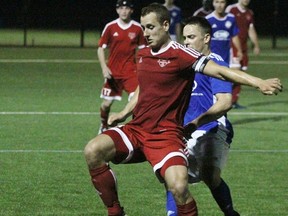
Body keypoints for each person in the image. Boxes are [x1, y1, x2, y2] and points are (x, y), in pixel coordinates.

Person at [84, 3, 282, 216]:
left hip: (166, 136)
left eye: (151, 27)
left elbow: (222, 72)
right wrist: (124, 112)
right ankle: (115, 212)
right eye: (143, 28)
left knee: (179, 187)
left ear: (166, 25)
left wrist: (258, 82)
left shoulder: (182, 55)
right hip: (137, 129)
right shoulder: (142, 54)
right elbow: (144, 86)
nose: (146, 33)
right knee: (93, 150)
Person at [165, 16, 239, 216]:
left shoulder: (215, 63)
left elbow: (225, 102)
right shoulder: (184, 64)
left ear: (206, 38)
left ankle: (231, 213)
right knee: (174, 173)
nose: (186, 42)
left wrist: (197, 122)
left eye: (190, 37)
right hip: (186, 130)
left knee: (208, 177)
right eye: (184, 37)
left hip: (212, 128)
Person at [97, 0, 146, 134]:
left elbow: (143, 50)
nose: (124, 11)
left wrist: (142, 69)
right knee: (106, 104)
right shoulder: (110, 27)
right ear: (117, 10)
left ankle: (136, 129)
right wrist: (104, 68)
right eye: (121, 8)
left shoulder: (137, 28)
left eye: (127, 8)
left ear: (131, 10)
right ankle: (103, 125)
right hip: (113, 73)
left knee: (136, 102)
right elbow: (101, 48)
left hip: (131, 72)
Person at [226, 0, 261, 109]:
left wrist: (256, 45)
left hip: (244, 48)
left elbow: (251, 30)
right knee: (233, 75)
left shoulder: (249, 13)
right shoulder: (231, 9)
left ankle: (234, 101)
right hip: (233, 47)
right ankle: (222, 99)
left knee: (242, 74)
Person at [205, 0, 243, 67]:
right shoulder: (208, 19)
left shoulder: (231, 18)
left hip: (228, 54)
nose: (219, 5)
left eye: (222, 2)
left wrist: (239, 50)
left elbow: (234, 36)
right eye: (217, 2)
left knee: (236, 72)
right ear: (213, 3)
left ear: (226, 3)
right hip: (213, 55)